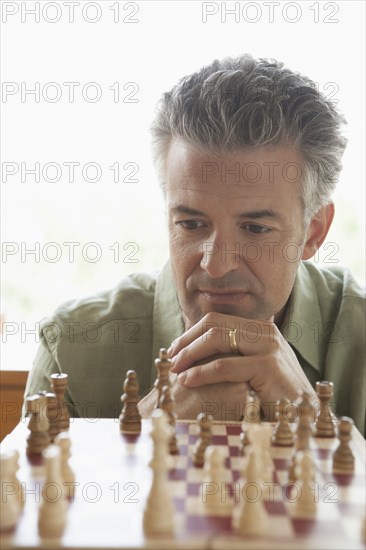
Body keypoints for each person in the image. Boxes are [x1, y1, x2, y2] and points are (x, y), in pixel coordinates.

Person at [24, 54, 365, 436]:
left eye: (254, 229)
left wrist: (319, 429)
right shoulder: (72, 345)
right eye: (191, 224)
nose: (216, 266)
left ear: (313, 232)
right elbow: (33, 495)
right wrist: (141, 434)